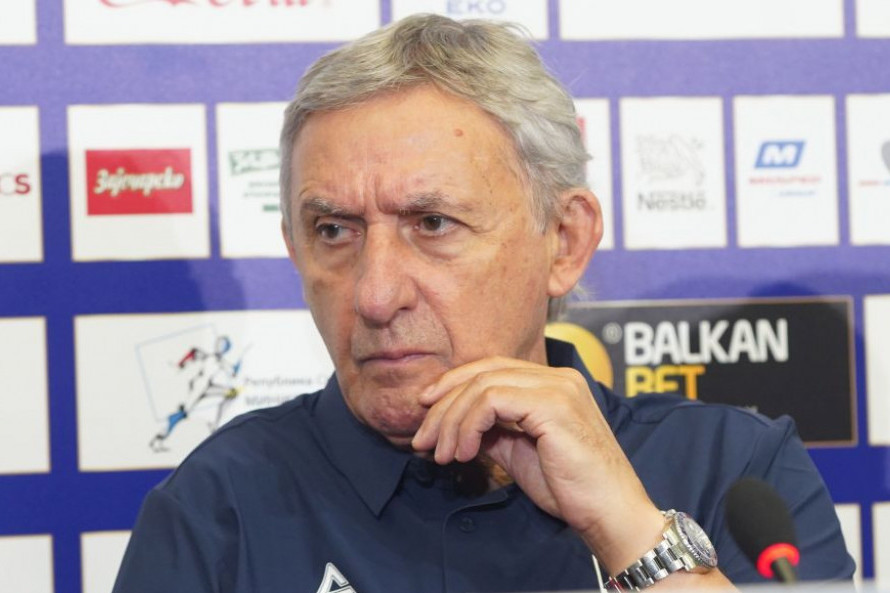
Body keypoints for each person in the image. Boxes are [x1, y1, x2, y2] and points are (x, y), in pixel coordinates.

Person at [113, 14, 855, 593]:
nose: (375, 294)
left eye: (433, 224)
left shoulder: (735, 470)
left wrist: (630, 530)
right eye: (334, 231)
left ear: (563, 241)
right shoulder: (219, 505)